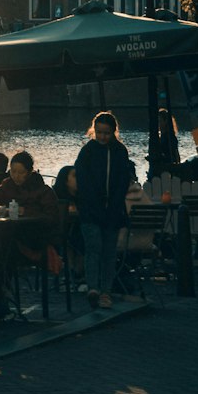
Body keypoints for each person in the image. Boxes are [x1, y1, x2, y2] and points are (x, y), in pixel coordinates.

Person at [73, 112, 132, 310]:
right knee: (95, 248)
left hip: (111, 210)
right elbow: (83, 181)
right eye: (99, 132)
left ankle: (103, 290)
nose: (102, 137)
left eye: (106, 133)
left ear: (113, 132)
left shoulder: (120, 152)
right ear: (94, 131)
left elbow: (123, 182)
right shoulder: (87, 152)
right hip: (92, 209)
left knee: (107, 251)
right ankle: (95, 288)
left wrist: (113, 204)